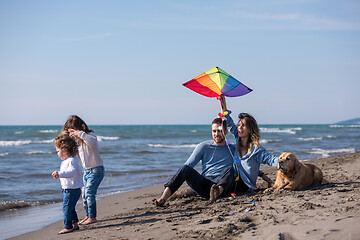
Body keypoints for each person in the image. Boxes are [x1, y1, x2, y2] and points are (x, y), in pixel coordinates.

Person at [154, 118, 236, 206]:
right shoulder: (204, 146)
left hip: (223, 185)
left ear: (226, 132)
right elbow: (188, 165)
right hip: (205, 184)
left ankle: (216, 192)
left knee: (230, 169)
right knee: (185, 169)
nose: (216, 134)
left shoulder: (232, 149)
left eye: (219, 131)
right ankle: (163, 198)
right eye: (214, 131)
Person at [210, 96, 278, 199]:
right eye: (239, 125)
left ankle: (218, 191)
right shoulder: (238, 142)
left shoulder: (257, 150)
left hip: (245, 186)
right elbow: (228, 120)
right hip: (235, 181)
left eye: (243, 126)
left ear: (250, 129)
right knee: (222, 173)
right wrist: (223, 102)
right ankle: (212, 190)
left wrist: (286, 161)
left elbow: (271, 160)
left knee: (230, 169)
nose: (239, 128)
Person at [62, 115, 105, 225]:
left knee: (89, 193)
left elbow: (91, 142)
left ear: (82, 127)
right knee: (84, 195)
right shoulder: (78, 142)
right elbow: (75, 154)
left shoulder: (90, 135)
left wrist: (80, 133)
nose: (73, 134)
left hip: (96, 170)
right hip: (86, 171)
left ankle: (92, 217)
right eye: (70, 132)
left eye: (73, 131)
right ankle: (87, 215)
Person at [52, 134, 83, 234]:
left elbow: (72, 172)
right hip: (71, 189)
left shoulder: (71, 160)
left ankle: (68, 226)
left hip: (71, 189)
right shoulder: (69, 160)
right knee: (71, 208)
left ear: (65, 149)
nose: (57, 154)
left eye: (58, 151)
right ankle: (75, 224)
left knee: (66, 208)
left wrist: (59, 173)